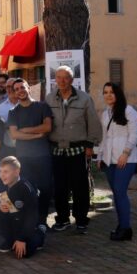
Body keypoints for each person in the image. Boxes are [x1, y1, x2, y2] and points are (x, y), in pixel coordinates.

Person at [45, 66, 102, 233]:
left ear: (72, 79)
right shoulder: (49, 99)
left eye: (66, 77)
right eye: (59, 77)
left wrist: (90, 145)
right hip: (56, 150)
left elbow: (93, 122)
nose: (62, 81)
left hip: (77, 149)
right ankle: (62, 219)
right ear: (55, 79)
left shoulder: (84, 99)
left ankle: (81, 220)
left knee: (80, 187)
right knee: (60, 187)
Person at [8, 79, 53, 226]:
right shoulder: (13, 112)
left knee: (46, 189)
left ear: (29, 88)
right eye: (16, 89)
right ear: (14, 93)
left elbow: (47, 127)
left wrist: (26, 130)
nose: (20, 90)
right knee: (29, 190)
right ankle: (31, 221)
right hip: (24, 157)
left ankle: (42, 221)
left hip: (43, 155)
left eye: (22, 87)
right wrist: (36, 134)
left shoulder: (42, 106)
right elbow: (14, 135)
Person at [98, 82, 137, 241]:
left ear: (118, 94)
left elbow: (134, 134)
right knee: (116, 193)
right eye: (105, 92)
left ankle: (125, 228)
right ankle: (121, 224)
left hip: (126, 159)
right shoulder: (105, 113)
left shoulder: (129, 111)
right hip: (109, 159)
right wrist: (100, 156)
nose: (108, 95)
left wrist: (126, 153)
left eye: (112, 92)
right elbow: (104, 137)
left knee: (120, 192)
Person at [0, 156, 45, 258]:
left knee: (24, 253)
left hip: (25, 225)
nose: (2, 175)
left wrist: (21, 239)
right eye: (0, 171)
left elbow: (31, 216)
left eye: (6, 172)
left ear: (17, 172)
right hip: (10, 221)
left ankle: (40, 232)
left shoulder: (26, 188)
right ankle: (8, 239)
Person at [0, 78, 18, 157]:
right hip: (9, 146)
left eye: (12, 86)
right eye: (7, 87)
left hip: (26, 145)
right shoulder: (1, 107)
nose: (10, 89)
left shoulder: (27, 104)